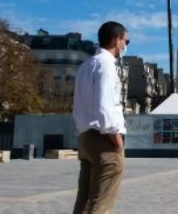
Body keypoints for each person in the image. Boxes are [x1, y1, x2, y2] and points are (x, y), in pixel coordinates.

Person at [72, 21, 130, 214]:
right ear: (116, 40)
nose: (125, 46)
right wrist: (116, 139)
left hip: (86, 137)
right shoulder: (106, 65)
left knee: (84, 200)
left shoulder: (85, 65)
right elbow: (105, 106)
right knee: (101, 204)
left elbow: (79, 106)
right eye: (125, 41)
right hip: (104, 139)